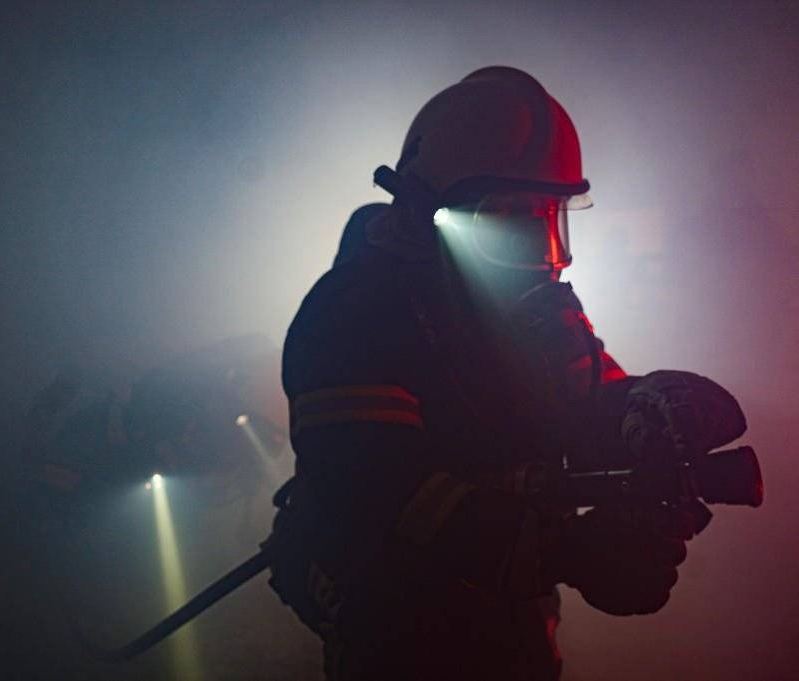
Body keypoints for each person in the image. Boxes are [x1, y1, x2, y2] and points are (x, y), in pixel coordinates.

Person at [269, 67, 746, 680]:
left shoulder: (524, 302)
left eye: (552, 218)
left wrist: (650, 404)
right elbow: (381, 491)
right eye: (516, 221)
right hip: (393, 612)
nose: (545, 253)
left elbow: (586, 398)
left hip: (510, 597)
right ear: (424, 214)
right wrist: (568, 553)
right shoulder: (350, 314)